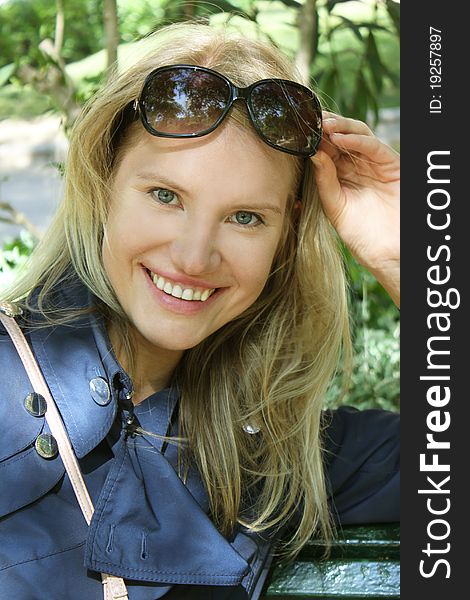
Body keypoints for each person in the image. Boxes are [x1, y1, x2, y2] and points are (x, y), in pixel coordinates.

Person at [0, 20, 400, 600]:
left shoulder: (273, 456)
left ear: (284, 237)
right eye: (166, 196)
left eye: (246, 217)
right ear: (103, 180)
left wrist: (405, 258)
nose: (193, 256)